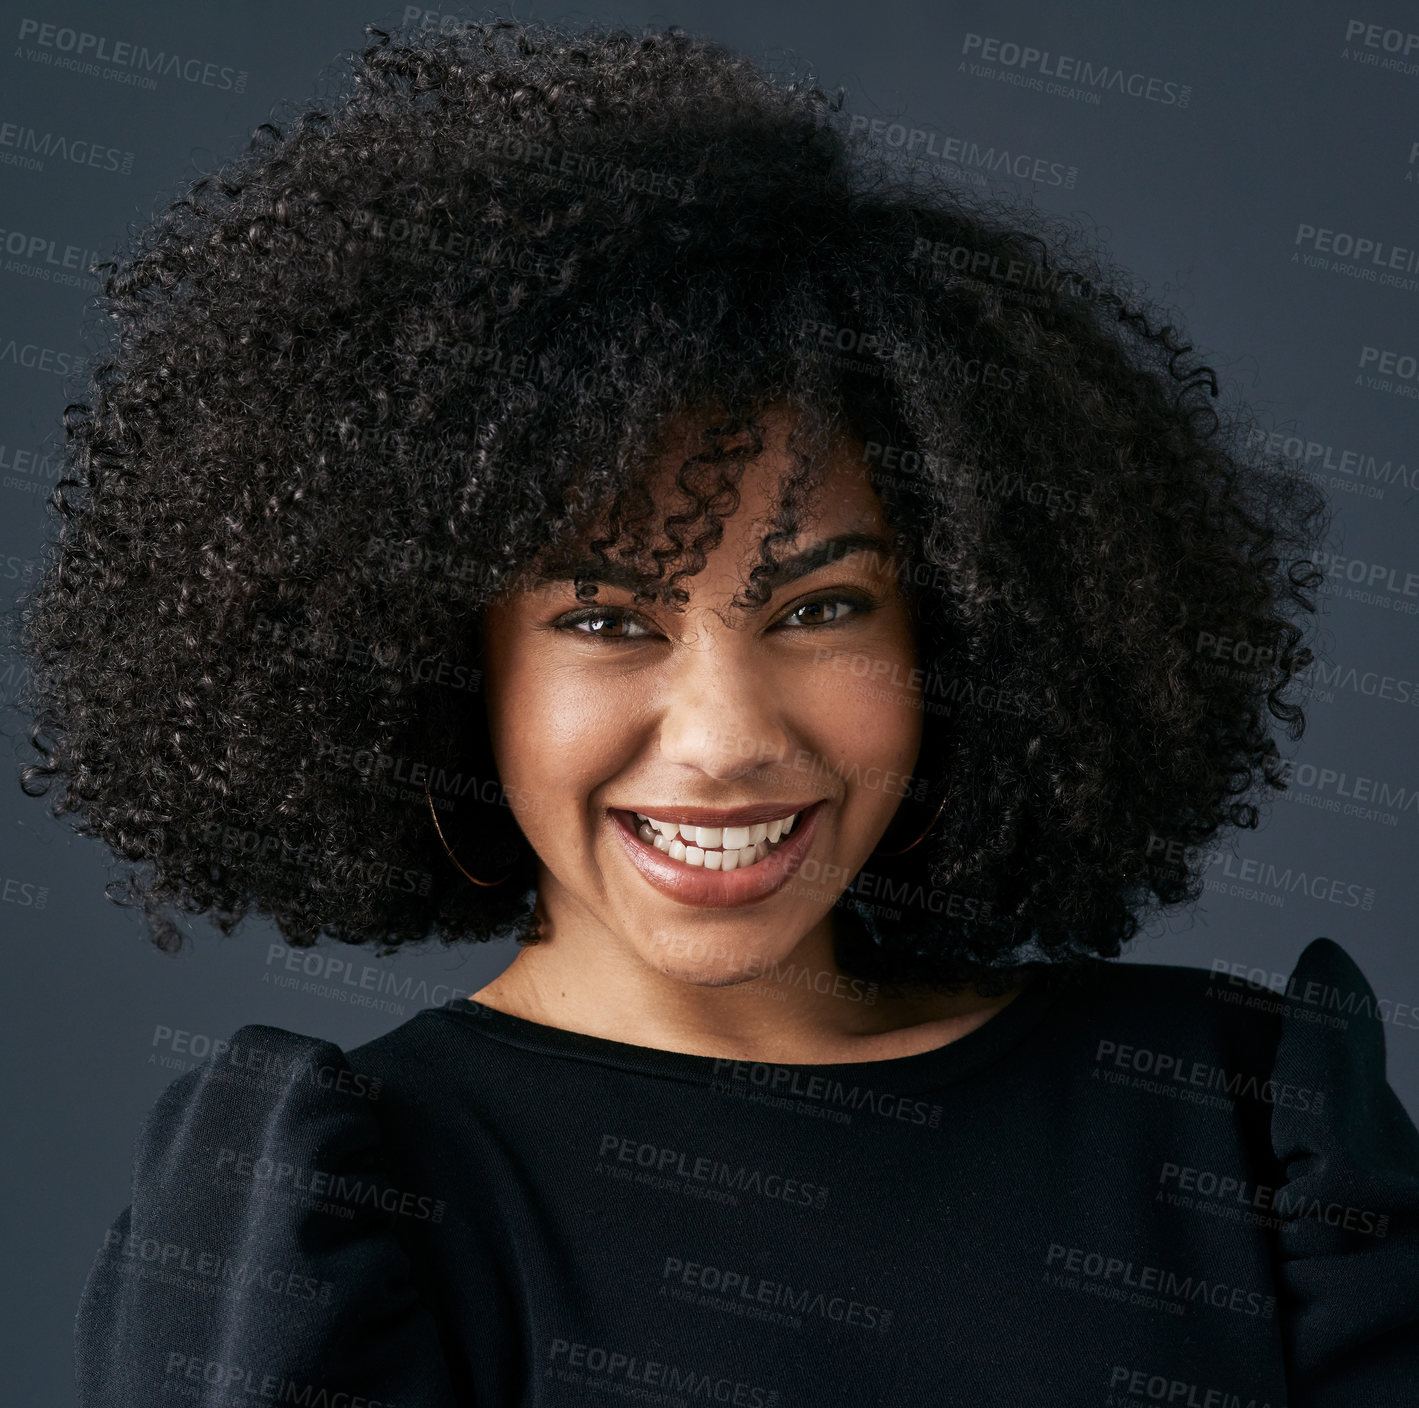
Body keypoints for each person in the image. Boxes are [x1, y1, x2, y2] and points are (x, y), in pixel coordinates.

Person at [15, 16, 1418, 1407]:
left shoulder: (1233, 1121)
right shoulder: (357, 1209)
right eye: (605, 621)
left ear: (973, 626)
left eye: (820, 608)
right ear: (442, 662)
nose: (725, 733)